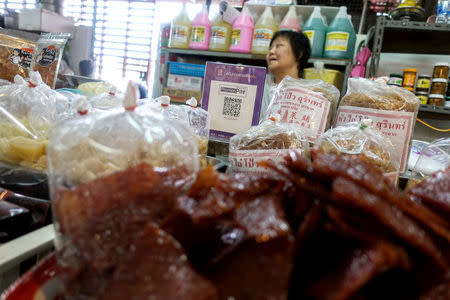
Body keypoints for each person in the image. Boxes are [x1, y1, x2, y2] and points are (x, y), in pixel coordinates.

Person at [260, 30, 311, 120]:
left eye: (278, 46)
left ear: (299, 53)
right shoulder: (258, 83)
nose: (271, 52)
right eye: (270, 48)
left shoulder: (309, 93)